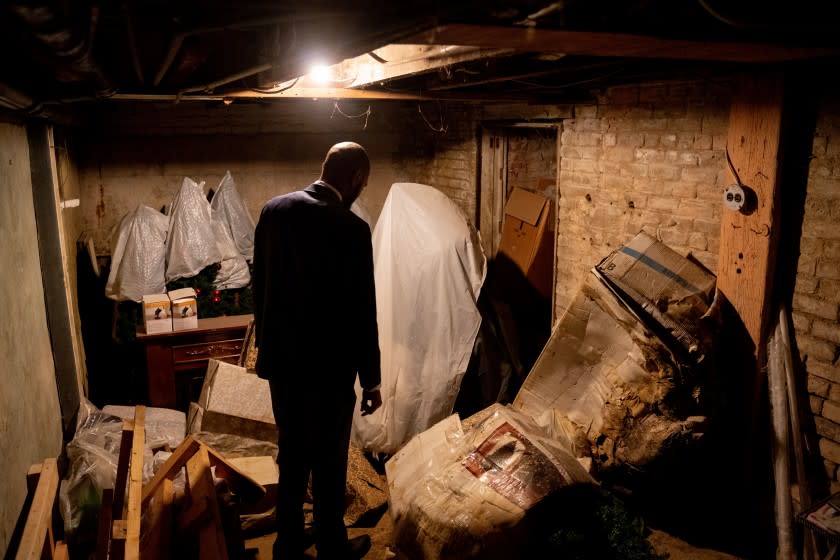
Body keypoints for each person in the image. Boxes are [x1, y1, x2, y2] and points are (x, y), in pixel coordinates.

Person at [252, 141, 383, 559]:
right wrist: (372, 379)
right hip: (328, 371)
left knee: (291, 453)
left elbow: (261, 287)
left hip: (283, 367)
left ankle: (288, 543)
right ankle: (331, 545)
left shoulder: (274, 211)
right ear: (358, 178)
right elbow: (363, 311)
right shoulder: (351, 228)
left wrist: (267, 349)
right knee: (329, 461)